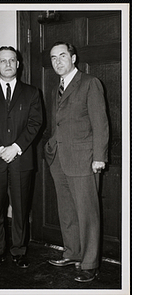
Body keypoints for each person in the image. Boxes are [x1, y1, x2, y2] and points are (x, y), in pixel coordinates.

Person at [44, 42, 109, 282]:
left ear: (73, 58)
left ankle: (90, 262)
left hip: (84, 159)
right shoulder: (57, 87)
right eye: (53, 58)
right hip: (59, 158)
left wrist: (99, 157)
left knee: (87, 213)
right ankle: (72, 252)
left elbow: (100, 122)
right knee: (67, 211)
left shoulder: (90, 83)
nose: (57, 61)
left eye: (62, 56)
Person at [0, 46, 42, 269]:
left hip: (21, 159)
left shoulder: (32, 92)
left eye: (12, 60)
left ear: (18, 64)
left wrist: (15, 147)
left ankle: (19, 251)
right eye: (3, 61)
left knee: (21, 209)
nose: (8, 64)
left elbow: (35, 123)